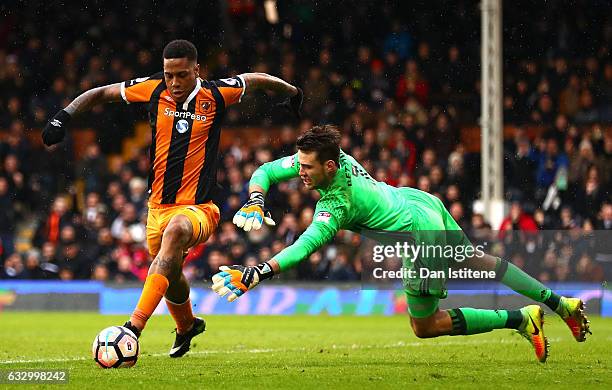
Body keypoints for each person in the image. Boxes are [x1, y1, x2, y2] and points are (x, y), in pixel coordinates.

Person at [212, 125, 590, 363]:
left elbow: (304, 246)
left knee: (423, 326)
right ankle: (561, 304)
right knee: (480, 260)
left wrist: (258, 271)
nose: (301, 172)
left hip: (418, 234)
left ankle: (519, 318)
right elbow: (264, 171)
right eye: (301, 165)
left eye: (307, 168)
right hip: (420, 200)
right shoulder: (331, 155)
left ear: (329, 166)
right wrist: (257, 197)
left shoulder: (336, 205)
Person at [41, 39, 303, 357]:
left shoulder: (216, 93)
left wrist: (292, 92)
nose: (174, 83)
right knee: (170, 272)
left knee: (176, 232)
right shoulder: (153, 89)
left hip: (199, 208)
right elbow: (101, 93)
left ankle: (132, 328)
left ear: (196, 70)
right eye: (169, 75)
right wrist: (63, 116)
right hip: (156, 209)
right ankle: (187, 325)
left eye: (181, 74)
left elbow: (255, 78)